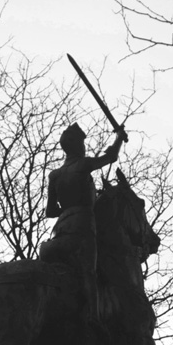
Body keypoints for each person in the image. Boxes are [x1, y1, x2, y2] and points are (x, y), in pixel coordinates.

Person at [40, 123, 126, 324]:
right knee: (90, 272)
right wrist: (119, 137)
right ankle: (93, 319)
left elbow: (50, 211)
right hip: (82, 229)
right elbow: (111, 157)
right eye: (82, 143)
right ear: (78, 146)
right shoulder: (83, 165)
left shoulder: (55, 175)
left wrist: (68, 208)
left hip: (59, 231)